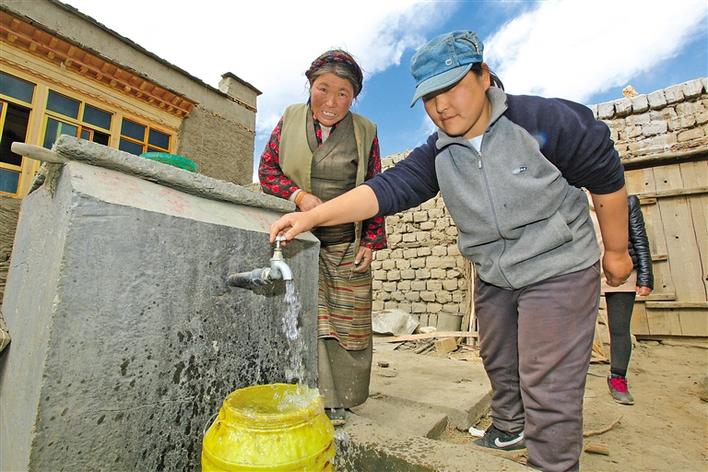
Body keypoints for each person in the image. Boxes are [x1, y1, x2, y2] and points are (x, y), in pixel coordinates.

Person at [269, 31, 633, 471]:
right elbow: (384, 190)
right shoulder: (438, 152)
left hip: (558, 266)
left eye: (453, 87)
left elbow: (606, 177)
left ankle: (552, 463)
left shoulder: (544, 120)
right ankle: (510, 428)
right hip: (494, 270)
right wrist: (311, 217)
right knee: (499, 360)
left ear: (483, 76)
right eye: (430, 97)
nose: (441, 106)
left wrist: (617, 251)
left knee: (547, 380)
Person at [258, 49, 386, 426]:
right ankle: (309, 394)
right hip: (300, 240)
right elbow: (267, 171)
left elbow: (377, 186)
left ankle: (342, 398)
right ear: (310, 87)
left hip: (347, 241)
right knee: (308, 318)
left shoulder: (366, 131)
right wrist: (299, 197)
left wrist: (370, 240)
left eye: (343, 93)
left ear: (354, 97)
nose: (331, 102)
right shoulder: (290, 119)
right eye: (323, 89)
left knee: (348, 322)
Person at [589, 193, 653, 405]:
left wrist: (645, 277)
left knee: (619, 328)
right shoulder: (574, 200)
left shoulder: (626, 202)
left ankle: (618, 378)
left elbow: (639, 240)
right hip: (586, 272)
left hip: (622, 272)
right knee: (577, 327)